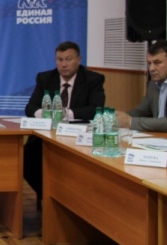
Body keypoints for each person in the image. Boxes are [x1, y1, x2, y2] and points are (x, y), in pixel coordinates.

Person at [23, 41, 106, 203]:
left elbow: (96, 109)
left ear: (79, 60)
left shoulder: (93, 79)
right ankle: (48, 196)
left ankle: (69, 198)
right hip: (47, 135)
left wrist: (65, 114)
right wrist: (45, 114)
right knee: (27, 158)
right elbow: (30, 107)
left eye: (68, 59)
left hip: (77, 135)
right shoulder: (45, 78)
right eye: (59, 60)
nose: (64, 64)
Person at [116, 40, 167, 133]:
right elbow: (140, 111)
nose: (151, 68)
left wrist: (129, 122)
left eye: (157, 63)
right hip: (159, 137)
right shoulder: (154, 83)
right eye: (149, 63)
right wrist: (116, 117)